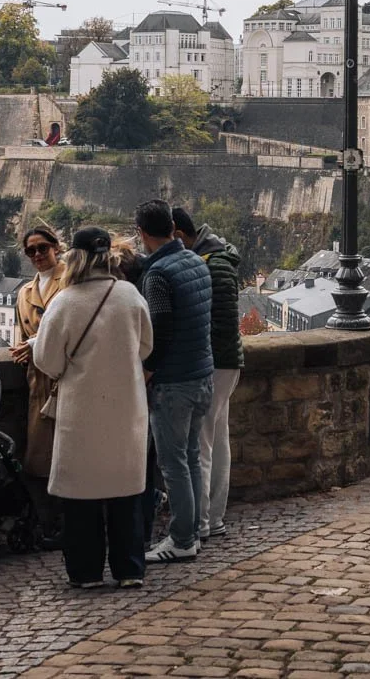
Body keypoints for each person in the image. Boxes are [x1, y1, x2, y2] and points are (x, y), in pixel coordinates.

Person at [32, 226, 154, 588]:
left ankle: (86, 571)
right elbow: (146, 347)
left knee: (81, 498)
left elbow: (47, 361)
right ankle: (129, 567)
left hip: (81, 411)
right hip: (126, 407)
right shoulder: (130, 296)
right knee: (126, 493)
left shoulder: (65, 302)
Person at [134, 199, 214, 563]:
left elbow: (161, 329)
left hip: (174, 381)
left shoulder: (158, 274)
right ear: (171, 226)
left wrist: (148, 371)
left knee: (173, 463)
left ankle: (182, 538)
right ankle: (194, 530)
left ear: (141, 233)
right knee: (192, 456)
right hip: (202, 373)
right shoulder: (196, 261)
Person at [171, 206, 243, 543]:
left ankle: (201, 521)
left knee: (200, 443)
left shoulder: (213, 265)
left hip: (214, 361)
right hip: (224, 361)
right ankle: (214, 517)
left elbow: (219, 322)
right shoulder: (217, 260)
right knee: (216, 439)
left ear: (179, 234)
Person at [13, 224, 70, 546]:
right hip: (39, 383)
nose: (36, 255)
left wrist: (34, 344)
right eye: (30, 251)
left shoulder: (73, 280)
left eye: (42, 248)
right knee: (37, 461)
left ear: (56, 247)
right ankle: (49, 524)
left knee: (70, 458)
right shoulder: (24, 292)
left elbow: (73, 329)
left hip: (69, 380)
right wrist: (24, 350)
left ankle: (68, 523)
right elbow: (21, 337)